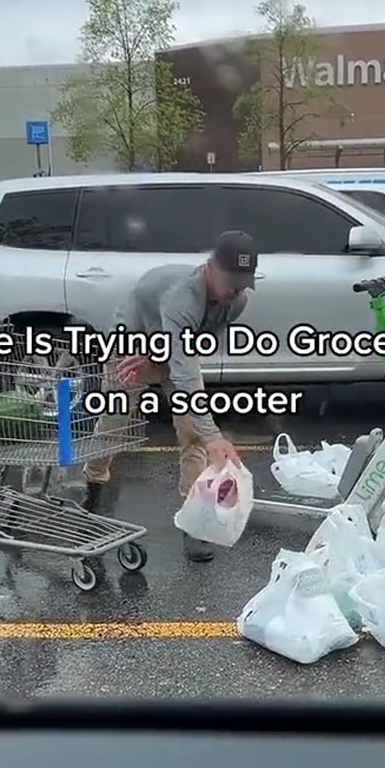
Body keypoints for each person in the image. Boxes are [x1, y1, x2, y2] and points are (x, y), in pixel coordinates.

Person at [80, 232, 257, 561]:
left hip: (168, 349)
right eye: (231, 281)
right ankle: (93, 485)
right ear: (210, 268)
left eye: (243, 283)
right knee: (115, 424)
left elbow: (197, 348)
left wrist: (163, 358)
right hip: (131, 344)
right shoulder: (182, 297)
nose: (236, 290)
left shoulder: (237, 300)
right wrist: (216, 435)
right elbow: (185, 369)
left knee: (193, 434)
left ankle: (194, 524)